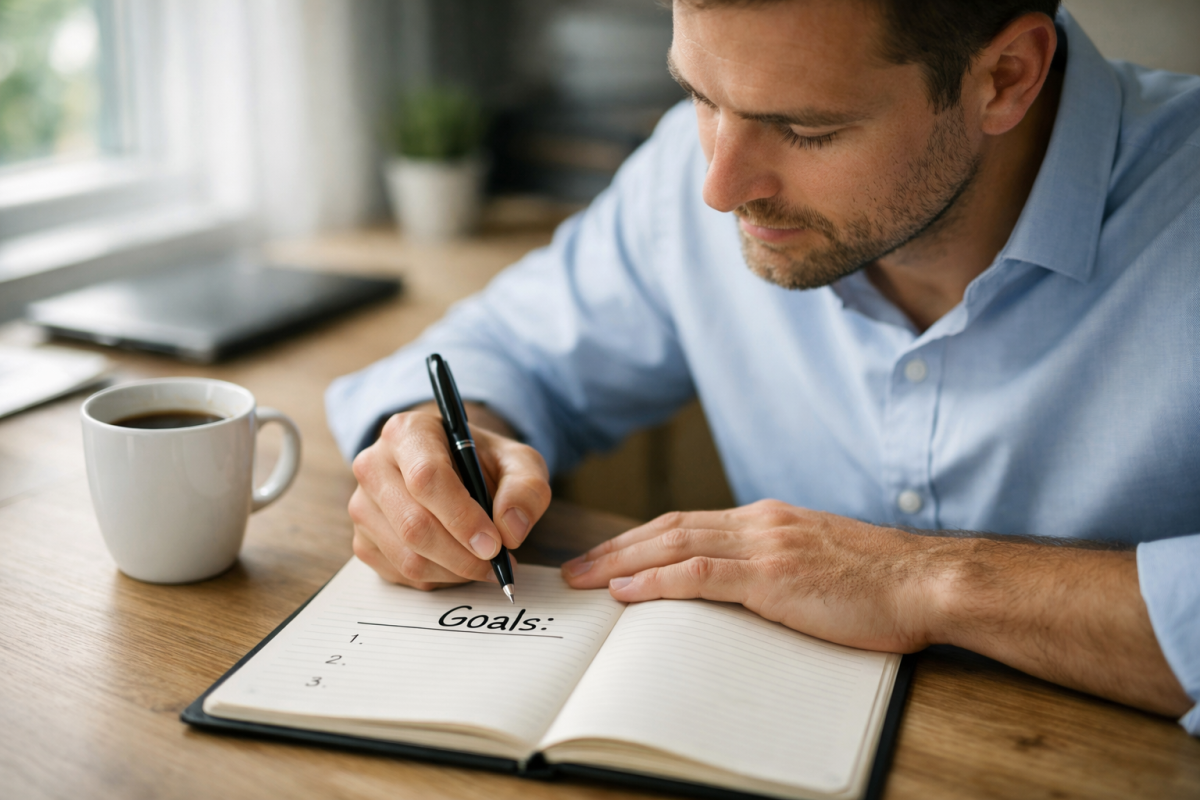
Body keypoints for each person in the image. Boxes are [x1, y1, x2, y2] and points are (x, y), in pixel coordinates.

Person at [326, 0, 1200, 733]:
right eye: (700, 95)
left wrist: (927, 580)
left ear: (1006, 78)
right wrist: (443, 448)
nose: (719, 184)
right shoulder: (692, 170)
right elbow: (502, 351)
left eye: (805, 128)